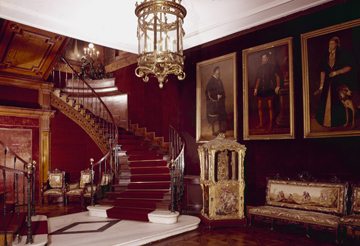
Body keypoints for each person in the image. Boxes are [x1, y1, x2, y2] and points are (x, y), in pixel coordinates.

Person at [315, 36, 357, 127]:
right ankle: (325, 121)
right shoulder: (326, 56)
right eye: (329, 44)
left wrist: (337, 73)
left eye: (332, 44)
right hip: (327, 83)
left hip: (339, 82)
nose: (330, 46)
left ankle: (339, 121)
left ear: (337, 44)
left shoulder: (343, 53)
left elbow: (349, 67)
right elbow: (322, 71)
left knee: (339, 102)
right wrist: (321, 85)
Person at [253, 52, 281, 132]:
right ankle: (261, 123)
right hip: (261, 88)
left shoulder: (272, 67)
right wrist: (255, 89)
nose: (263, 60)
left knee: (270, 106)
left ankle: (271, 124)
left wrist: (278, 86)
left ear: (267, 58)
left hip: (269, 88)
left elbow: (277, 76)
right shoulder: (260, 68)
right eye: (262, 58)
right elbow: (258, 79)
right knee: (259, 106)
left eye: (264, 58)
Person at [205, 66, 226, 136]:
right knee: (213, 118)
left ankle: (220, 129)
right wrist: (216, 96)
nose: (219, 72)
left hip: (220, 102)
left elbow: (222, 89)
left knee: (220, 116)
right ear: (214, 72)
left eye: (219, 71)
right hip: (213, 103)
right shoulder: (211, 81)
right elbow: (208, 91)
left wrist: (222, 96)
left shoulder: (219, 80)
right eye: (217, 71)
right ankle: (213, 131)